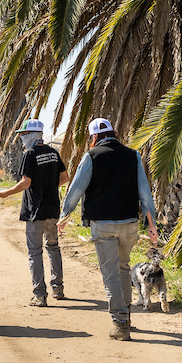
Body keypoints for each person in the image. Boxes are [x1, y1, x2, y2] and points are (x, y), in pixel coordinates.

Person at [57, 117, 159, 341]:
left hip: (102, 225)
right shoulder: (133, 155)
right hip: (129, 224)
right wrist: (151, 225)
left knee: (111, 274)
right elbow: (145, 193)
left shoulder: (91, 156)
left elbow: (76, 188)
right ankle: (127, 317)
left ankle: (120, 323)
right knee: (123, 269)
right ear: (113, 133)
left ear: (95, 137)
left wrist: (65, 214)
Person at [0, 119, 68, 307]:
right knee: (53, 247)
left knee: (35, 252)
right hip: (53, 210)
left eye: (23, 134)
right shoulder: (53, 153)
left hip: (36, 212)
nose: (21, 138)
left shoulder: (30, 154)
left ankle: (39, 295)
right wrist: (49, 188)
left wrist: (7, 193)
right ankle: (58, 289)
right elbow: (65, 177)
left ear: (32, 135)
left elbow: (26, 182)